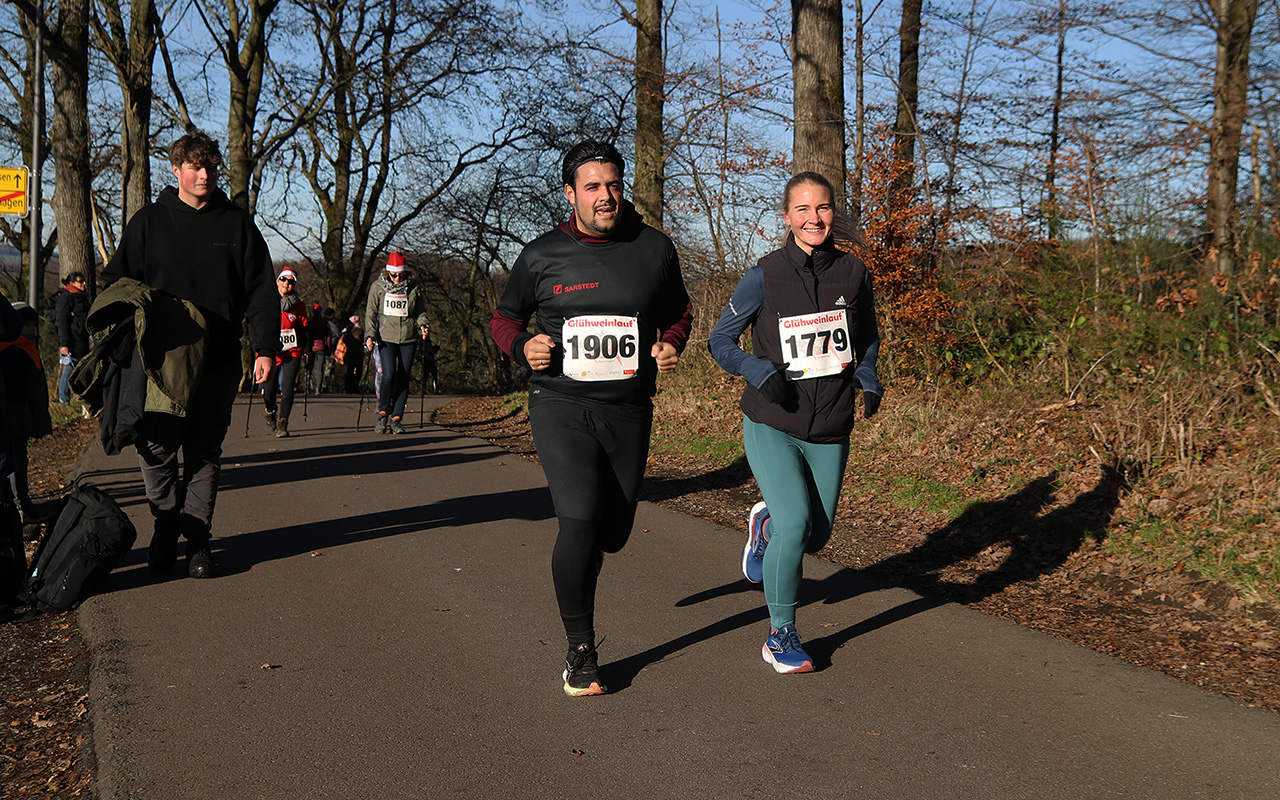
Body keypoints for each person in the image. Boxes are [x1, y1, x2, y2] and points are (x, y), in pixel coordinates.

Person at [489, 139, 693, 697]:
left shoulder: (654, 248)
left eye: (613, 184)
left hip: (628, 410)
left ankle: (591, 556)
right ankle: (581, 649)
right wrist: (522, 347)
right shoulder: (541, 255)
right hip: (561, 404)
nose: (605, 196)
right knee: (577, 520)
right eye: (592, 187)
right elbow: (504, 317)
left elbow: (680, 311)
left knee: (615, 531)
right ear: (570, 193)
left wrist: (672, 341)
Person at [708, 171, 882, 674]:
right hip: (772, 421)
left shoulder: (854, 273)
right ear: (786, 217)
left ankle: (764, 527)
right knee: (797, 522)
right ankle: (780, 634)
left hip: (830, 424)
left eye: (822, 208)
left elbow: (866, 335)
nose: (813, 219)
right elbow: (721, 341)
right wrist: (757, 369)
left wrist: (867, 376)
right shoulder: (764, 275)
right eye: (802, 210)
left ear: (834, 213)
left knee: (818, 535)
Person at [102, 129, 278, 579]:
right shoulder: (149, 222)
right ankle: (165, 526)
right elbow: (116, 284)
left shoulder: (236, 223)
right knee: (156, 451)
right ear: (176, 169)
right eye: (195, 167)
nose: (205, 175)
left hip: (218, 361)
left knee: (204, 453)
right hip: (159, 365)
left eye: (211, 167)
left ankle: (198, 542)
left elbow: (260, 289)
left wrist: (264, 349)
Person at [364, 253, 429, 434]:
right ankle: (383, 413)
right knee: (388, 375)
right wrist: (370, 335)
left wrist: (423, 324)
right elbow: (370, 313)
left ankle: (397, 418)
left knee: (403, 376)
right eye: (394, 275)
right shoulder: (378, 287)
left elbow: (420, 311)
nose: (397, 278)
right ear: (387, 273)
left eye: (401, 275)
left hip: (408, 337)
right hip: (386, 337)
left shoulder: (413, 288)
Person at [0, 303, 52, 522]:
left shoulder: (26, 348)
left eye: (33, 325)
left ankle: (21, 504)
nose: (32, 329)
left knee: (18, 461)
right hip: (14, 418)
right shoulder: (14, 351)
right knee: (16, 463)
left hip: (20, 417)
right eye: (27, 325)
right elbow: (18, 392)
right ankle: (21, 507)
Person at [262, 269, 307, 438]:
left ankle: (283, 422)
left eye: (290, 282)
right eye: (283, 280)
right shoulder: (267, 301)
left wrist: (307, 350)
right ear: (277, 280)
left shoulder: (299, 305)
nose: (286, 284)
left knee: (287, 388)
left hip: (292, 350)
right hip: (271, 351)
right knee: (269, 389)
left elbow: (303, 329)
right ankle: (270, 411)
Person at [52, 272, 91, 404]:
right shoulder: (66, 297)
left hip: (82, 340)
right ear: (72, 283)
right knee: (69, 368)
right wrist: (64, 344)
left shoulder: (82, 297)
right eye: (80, 281)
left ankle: (77, 398)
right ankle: (64, 397)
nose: (84, 283)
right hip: (72, 341)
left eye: (84, 280)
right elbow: (62, 322)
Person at [339, 315, 365, 393]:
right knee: (358, 371)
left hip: (349, 353)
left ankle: (348, 388)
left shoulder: (347, 332)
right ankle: (355, 387)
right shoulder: (360, 331)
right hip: (359, 354)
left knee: (349, 371)